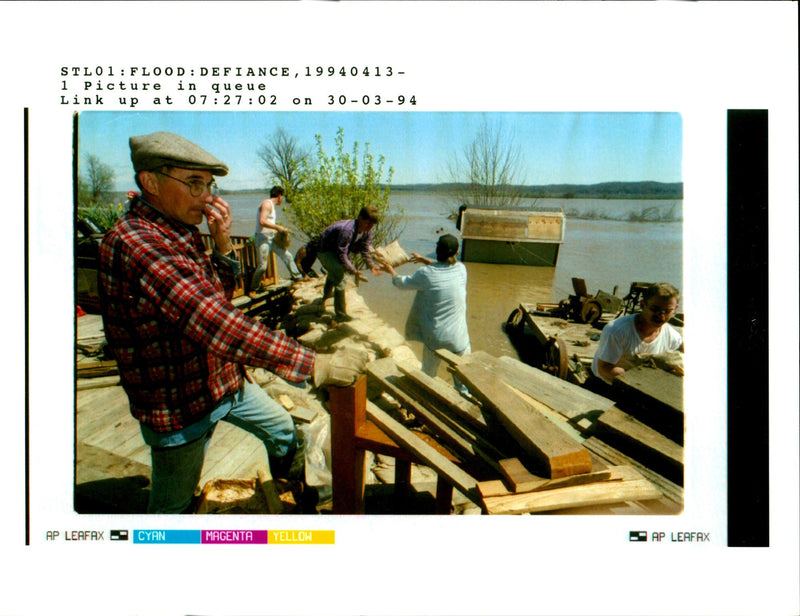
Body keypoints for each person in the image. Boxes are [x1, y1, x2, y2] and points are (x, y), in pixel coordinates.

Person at [98, 131, 316, 514]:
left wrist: (222, 245)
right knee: (173, 508)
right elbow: (212, 319)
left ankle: (285, 496)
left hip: (224, 381)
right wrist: (313, 364)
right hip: (179, 404)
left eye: (209, 185)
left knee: (283, 431)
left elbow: (218, 296)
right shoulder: (135, 242)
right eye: (195, 184)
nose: (208, 198)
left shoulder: (180, 230)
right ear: (150, 183)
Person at [380, 234, 471, 392]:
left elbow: (402, 284)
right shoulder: (462, 270)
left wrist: (392, 272)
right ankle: (465, 401)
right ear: (457, 252)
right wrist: (423, 260)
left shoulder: (426, 274)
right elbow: (444, 268)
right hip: (459, 340)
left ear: (437, 252)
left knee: (427, 378)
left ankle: (425, 398)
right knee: (463, 385)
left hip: (435, 339)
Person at [591, 282, 684, 383]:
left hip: (645, 385)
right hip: (608, 384)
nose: (661, 316)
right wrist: (640, 379)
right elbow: (605, 369)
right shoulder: (616, 330)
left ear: (675, 309)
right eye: (655, 309)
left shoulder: (673, 338)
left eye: (667, 311)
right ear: (642, 305)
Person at [316, 205, 383, 321]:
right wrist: (354, 271)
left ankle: (324, 299)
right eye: (368, 223)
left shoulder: (367, 232)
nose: (370, 227)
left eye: (372, 225)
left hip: (336, 250)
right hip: (324, 250)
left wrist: (372, 266)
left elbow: (365, 250)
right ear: (360, 218)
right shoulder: (347, 230)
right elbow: (341, 254)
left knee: (333, 274)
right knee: (340, 276)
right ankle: (341, 315)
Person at [250, 185, 303, 293]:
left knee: (287, 255)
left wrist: (277, 230)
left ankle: (298, 278)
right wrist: (278, 227)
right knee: (263, 266)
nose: (282, 200)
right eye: (282, 197)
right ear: (279, 196)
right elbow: (262, 221)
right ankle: (253, 288)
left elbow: (268, 222)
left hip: (271, 238)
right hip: (262, 238)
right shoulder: (266, 204)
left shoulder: (271, 206)